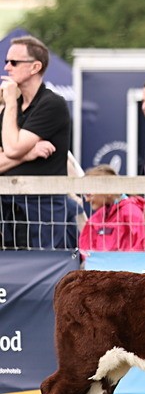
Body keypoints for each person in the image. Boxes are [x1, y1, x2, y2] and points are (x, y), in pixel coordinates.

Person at [0, 35, 73, 249]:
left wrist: (11, 101)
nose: (7, 68)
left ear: (35, 67)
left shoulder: (51, 104)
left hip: (43, 206)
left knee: (46, 271)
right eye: (6, 62)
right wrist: (28, 153)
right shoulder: (11, 109)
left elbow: (12, 148)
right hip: (9, 205)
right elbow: (14, 151)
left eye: (14, 62)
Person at [78, 165, 145, 252]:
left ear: (107, 190)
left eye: (88, 194)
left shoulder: (131, 213)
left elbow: (143, 247)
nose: (86, 199)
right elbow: (85, 248)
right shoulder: (97, 217)